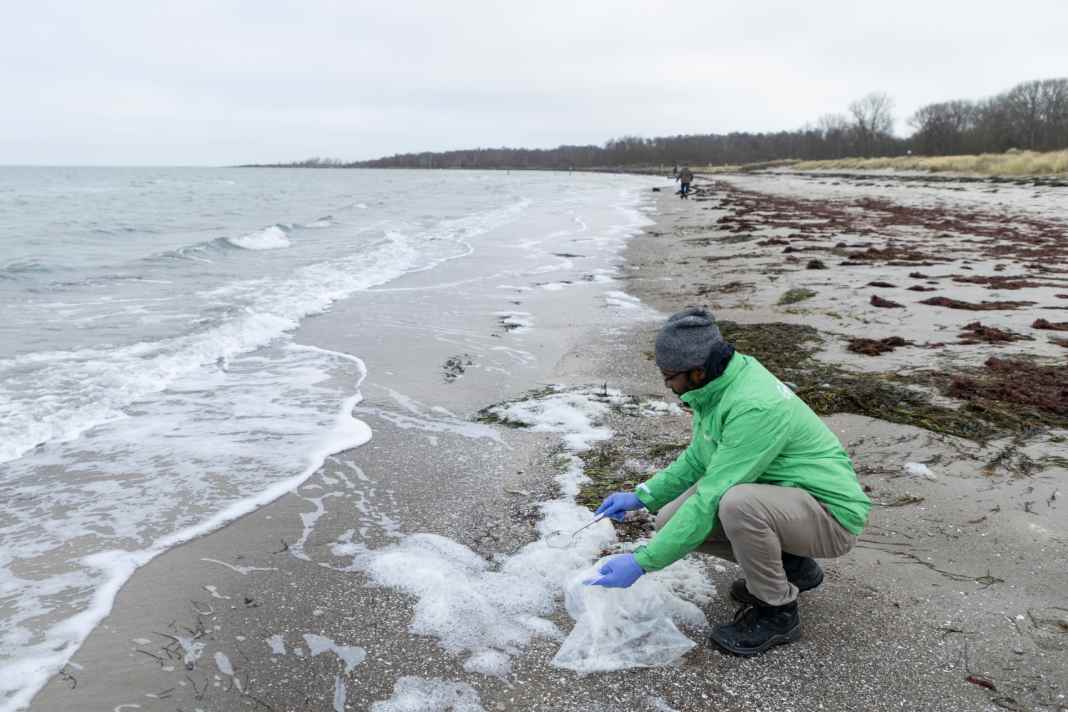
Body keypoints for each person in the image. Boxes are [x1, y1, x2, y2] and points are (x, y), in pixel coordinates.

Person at [586, 307, 871, 656]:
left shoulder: (753, 405)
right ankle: (791, 566)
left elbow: (711, 497)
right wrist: (642, 495)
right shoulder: (717, 386)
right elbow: (697, 459)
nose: (668, 386)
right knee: (668, 520)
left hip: (830, 515)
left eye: (669, 377)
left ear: (697, 371)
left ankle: (777, 611)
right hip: (787, 500)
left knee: (737, 504)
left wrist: (643, 562)